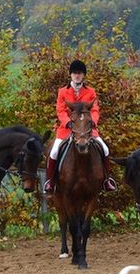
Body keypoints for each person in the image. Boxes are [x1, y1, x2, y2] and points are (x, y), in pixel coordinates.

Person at [44, 59, 116, 194]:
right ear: (71, 75)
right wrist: (68, 122)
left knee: (105, 149)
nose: (77, 75)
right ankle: (50, 182)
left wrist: (93, 121)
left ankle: (107, 180)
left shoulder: (90, 92)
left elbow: (95, 109)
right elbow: (60, 110)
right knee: (54, 152)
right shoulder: (62, 92)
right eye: (75, 73)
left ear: (83, 75)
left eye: (80, 73)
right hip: (67, 129)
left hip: (88, 129)